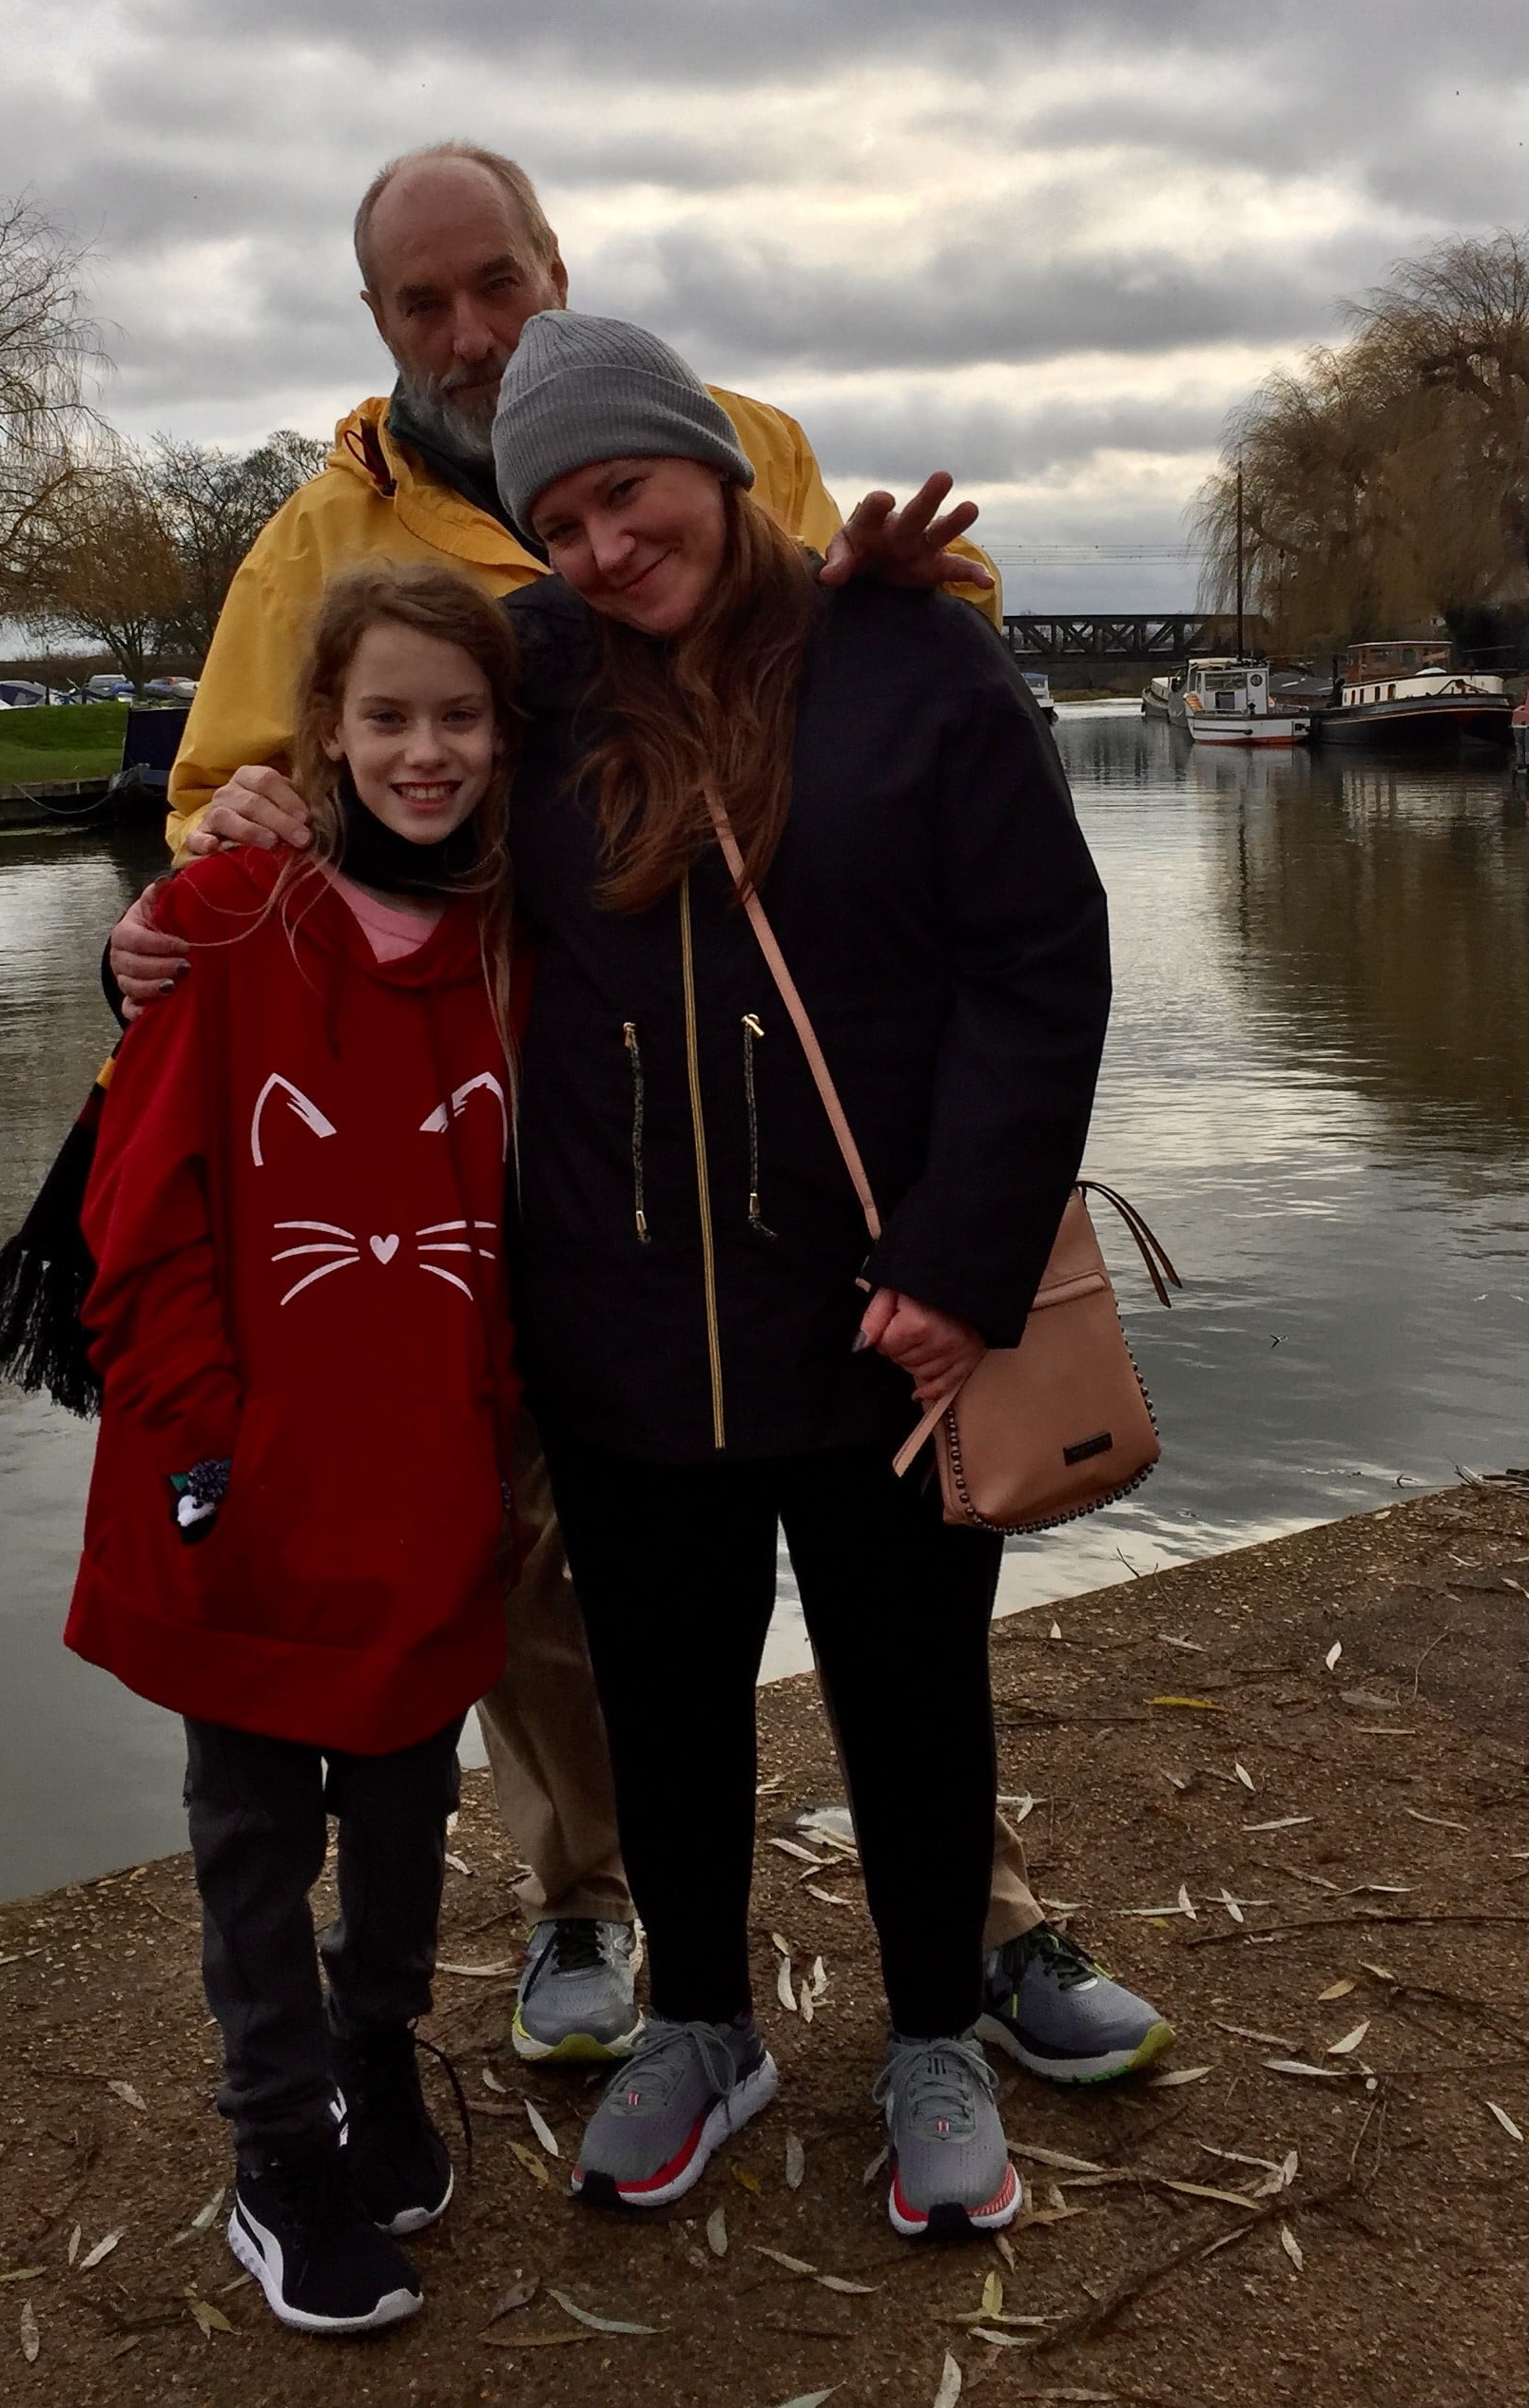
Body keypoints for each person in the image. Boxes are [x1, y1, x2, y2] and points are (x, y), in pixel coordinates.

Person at [108, 140, 1171, 2090]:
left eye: (494, 281)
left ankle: (974, 1936)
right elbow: (257, 802)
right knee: (556, 1600)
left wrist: (873, 584)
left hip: (818, 1185)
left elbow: (906, 677)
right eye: (423, 303)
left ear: (558, 268)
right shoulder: (310, 545)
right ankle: (609, 1922)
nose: (469, 329)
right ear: (376, 324)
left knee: (902, 1607)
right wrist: (206, 883)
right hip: (529, 1177)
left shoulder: (742, 441)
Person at [486, 308, 1112, 2237]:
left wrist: (961, 1260)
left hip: (881, 1325)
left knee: (911, 1691)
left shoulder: (914, 656)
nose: (605, 543)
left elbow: (1039, 967)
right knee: (662, 1706)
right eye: (563, 519)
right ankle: (700, 2023)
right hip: (618, 1319)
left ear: (718, 465)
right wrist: (223, 843)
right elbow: (373, 772)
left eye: (629, 490)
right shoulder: (529, 677)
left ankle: (935, 2028)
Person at [67, 565, 527, 2333]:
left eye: (461, 717)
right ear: (322, 729)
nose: (427, 751)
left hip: (429, 1466)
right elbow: (144, 1215)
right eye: (389, 717)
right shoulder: (232, 916)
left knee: (407, 1801)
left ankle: (377, 2052)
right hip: (247, 1475)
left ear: (504, 734)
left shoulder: (510, 936)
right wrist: (199, 1451)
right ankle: (276, 2145)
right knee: (254, 1823)